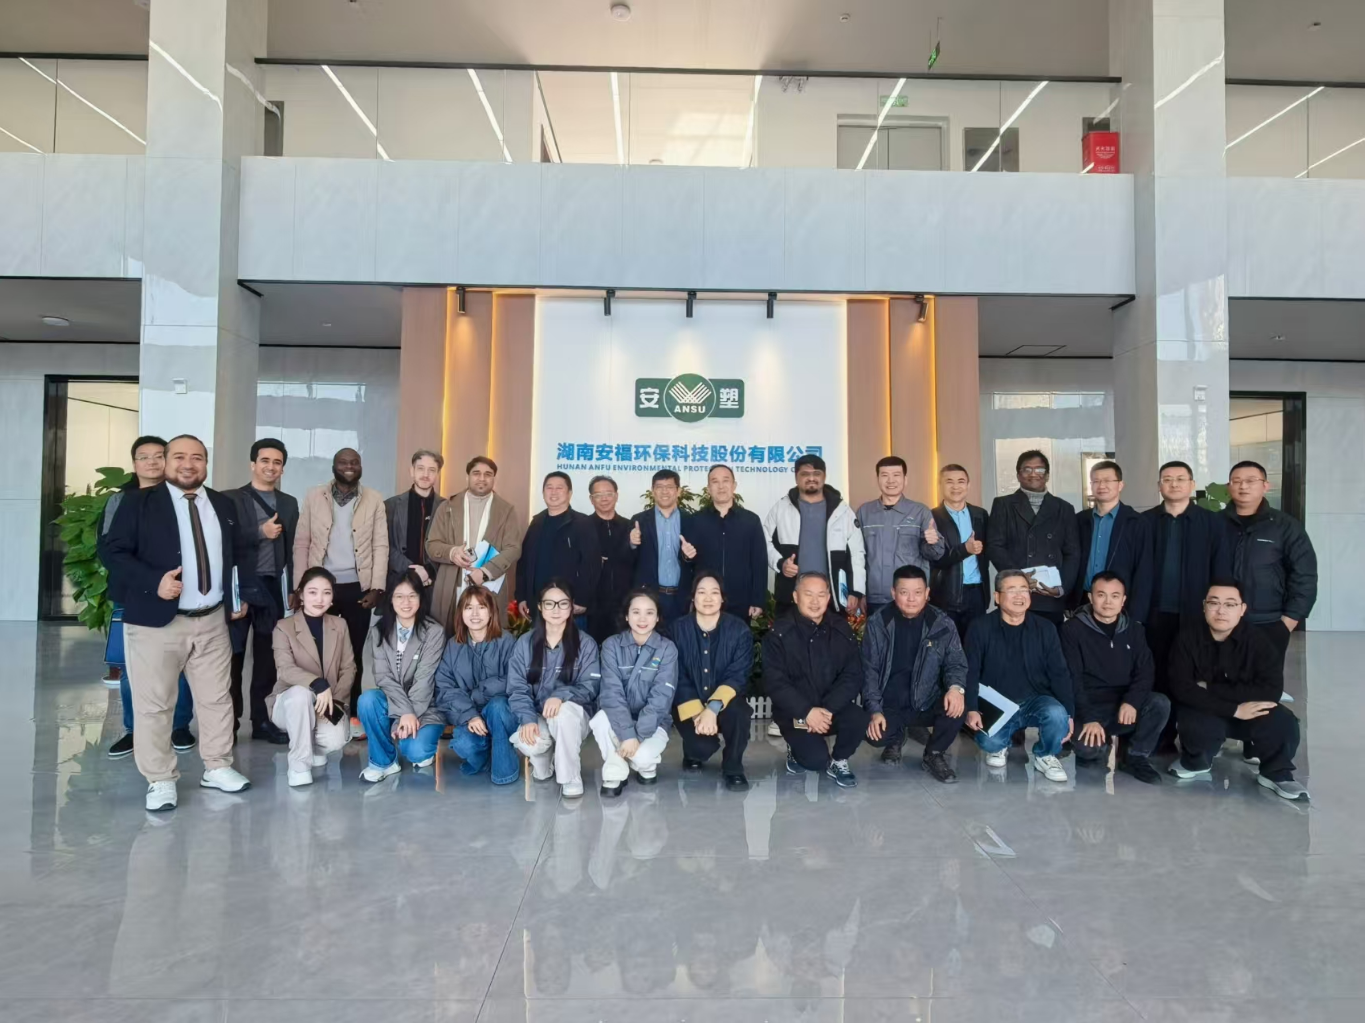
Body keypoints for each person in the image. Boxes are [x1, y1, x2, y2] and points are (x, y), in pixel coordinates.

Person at [102, 434, 253, 811]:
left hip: (212, 620)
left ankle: (217, 766)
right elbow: (112, 552)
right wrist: (153, 581)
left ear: (206, 463)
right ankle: (160, 779)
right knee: (154, 705)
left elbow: (234, 555)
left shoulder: (221, 503)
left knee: (217, 699)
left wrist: (237, 597)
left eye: (197, 457)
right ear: (167, 462)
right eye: (180, 457)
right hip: (156, 624)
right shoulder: (138, 502)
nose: (189, 464)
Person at [99, 435, 195, 760]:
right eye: (144, 457)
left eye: (158, 456)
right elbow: (109, 550)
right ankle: (134, 729)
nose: (152, 462)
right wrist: (148, 581)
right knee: (132, 666)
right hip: (132, 594)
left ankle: (179, 725)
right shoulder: (119, 501)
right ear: (134, 463)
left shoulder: (181, 497)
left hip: (177, 593)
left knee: (179, 662)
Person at [1167, 580, 1308, 800]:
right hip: (1208, 711)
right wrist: (1233, 709)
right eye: (1214, 603)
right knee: (1191, 718)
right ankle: (1196, 760)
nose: (1221, 611)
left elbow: (1271, 690)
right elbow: (1182, 688)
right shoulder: (1187, 638)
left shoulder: (1259, 641)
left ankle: (1276, 773)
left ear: (1242, 609)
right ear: (1204, 606)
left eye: (1230, 604)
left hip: (1249, 711)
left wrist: (1211, 688)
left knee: (1284, 722)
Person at [293, 447, 388, 736]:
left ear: (361, 467)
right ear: (334, 466)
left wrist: (377, 587)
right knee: (317, 653)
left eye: (354, 462)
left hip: (359, 588)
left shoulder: (374, 499)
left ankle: (353, 713)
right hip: (321, 589)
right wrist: (300, 587)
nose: (349, 466)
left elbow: (380, 544)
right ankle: (318, 712)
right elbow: (302, 542)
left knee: (353, 655)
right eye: (343, 462)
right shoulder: (314, 496)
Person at [1135, 460, 1232, 737]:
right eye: (1167, 479)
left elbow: (1221, 572)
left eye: (1180, 479)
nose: (1174, 484)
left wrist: (1219, 612)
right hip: (1155, 615)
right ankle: (1161, 737)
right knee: (1157, 674)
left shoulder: (1212, 523)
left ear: (1192, 485)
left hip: (1196, 615)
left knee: (1192, 675)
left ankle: (1195, 738)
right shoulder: (1144, 522)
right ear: (1159, 486)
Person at [860, 565, 968, 783]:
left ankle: (934, 753)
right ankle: (896, 736)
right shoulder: (878, 623)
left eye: (918, 592)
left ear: (927, 593)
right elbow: (869, 670)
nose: (911, 599)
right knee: (874, 735)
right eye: (904, 592)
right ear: (893, 593)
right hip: (890, 703)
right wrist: (874, 710)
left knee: (958, 705)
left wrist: (956, 688)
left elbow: (956, 663)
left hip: (927, 701)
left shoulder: (941, 623)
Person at [964, 569, 1074, 782]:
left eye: (1024, 589)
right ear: (997, 597)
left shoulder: (1045, 628)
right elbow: (970, 671)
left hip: (1036, 699)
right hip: (997, 705)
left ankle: (1045, 755)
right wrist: (972, 708)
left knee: (1057, 715)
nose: (1019, 595)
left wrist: (1069, 714)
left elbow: (1060, 673)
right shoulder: (980, 627)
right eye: (1011, 590)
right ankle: (1001, 746)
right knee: (990, 743)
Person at [1060, 571, 1168, 784]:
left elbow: (1145, 671)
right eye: (1101, 595)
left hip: (1122, 704)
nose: (1108, 602)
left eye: (1115, 596)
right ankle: (1099, 744)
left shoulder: (1134, 629)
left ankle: (1134, 756)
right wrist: (1089, 717)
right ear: (1091, 597)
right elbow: (1072, 678)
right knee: (1089, 752)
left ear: (1123, 600)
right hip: (1089, 704)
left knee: (1159, 703)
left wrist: (1132, 701)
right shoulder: (1071, 629)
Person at [762, 572, 868, 788]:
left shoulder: (841, 629)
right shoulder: (779, 633)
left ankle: (839, 760)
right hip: (795, 713)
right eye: (808, 594)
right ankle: (795, 748)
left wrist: (827, 710)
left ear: (828, 598)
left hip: (831, 709)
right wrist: (807, 712)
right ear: (795, 597)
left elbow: (853, 675)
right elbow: (775, 682)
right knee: (815, 761)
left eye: (821, 595)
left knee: (858, 718)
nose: (815, 601)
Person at [227, 437, 297, 744]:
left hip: (272, 587)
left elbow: (293, 548)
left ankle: (262, 721)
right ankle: (228, 724)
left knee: (268, 659)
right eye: (265, 460)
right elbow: (223, 542)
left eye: (277, 462)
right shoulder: (230, 499)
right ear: (253, 464)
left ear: (282, 468)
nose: (271, 467)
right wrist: (260, 532)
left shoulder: (289, 503)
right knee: (234, 659)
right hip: (240, 586)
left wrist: (293, 588)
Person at [508, 579, 601, 798]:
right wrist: (528, 718)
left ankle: (570, 777)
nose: (556, 610)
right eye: (549, 604)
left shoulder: (586, 643)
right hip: (538, 713)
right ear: (540, 607)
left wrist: (560, 696)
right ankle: (544, 760)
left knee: (563, 714)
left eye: (563, 603)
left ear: (571, 606)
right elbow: (516, 687)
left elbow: (591, 686)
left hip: (573, 716)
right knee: (528, 743)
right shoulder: (525, 643)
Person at [1223, 460, 1318, 670]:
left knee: (1264, 682)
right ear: (1229, 487)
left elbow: (1305, 575)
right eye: (1236, 481)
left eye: (1251, 481)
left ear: (1266, 486)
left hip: (1268, 621)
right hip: (1221, 620)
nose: (1243, 486)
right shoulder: (1214, 523)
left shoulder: (1285, 526)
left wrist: (1290, 620)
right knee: (1221, 681)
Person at [356, 570, 447, 781]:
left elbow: (424, 679)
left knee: (416, 751)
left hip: (425, 705)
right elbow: (383, 677)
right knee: (368, 700)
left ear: (421, 599)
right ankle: (383, 762)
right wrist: (403, 713)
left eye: (412, 596)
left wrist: (405, 717)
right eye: (399, 596)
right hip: (393, 700)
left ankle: (418, 746)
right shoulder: (378, 631)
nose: (406, 602)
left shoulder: (433, 631)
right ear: (391, 599)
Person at [268, 567, 355, 787]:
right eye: (313, 592)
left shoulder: (340, 625)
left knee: (336, 739)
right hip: (289, 703)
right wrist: (316, 683)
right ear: (301, 595)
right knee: (300, 694)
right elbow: (285, 669)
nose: (319, 599)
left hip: (327, 702)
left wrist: (334, 701)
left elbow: (348, 668)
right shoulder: (284, 627)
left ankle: (313, 749)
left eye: (326, 593)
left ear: (332, 598)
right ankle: (299, 766)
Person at [669, 571, 753, 791]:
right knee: (702, 748)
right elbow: (676, 673)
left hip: (726, 702)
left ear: (722, 598)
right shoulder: (677, 629)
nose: (708, 598)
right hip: (689, 702)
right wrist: (698, 712)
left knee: (740, 714)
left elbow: (738, 674)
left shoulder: (739, 630)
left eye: (714, 592)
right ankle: (692, 751)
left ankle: (733, 767)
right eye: (701, 592)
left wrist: (712, 709)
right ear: (693, 597)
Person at [591, 589, 679, 796]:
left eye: (649, 612)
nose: (642, 619)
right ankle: (616, 771)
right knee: (599, 720)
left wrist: (636, 737)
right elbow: (611, 694)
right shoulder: (611, 645)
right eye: (636, 612)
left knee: (642, 758)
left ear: (657, 617)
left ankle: (643, 764)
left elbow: (661, 699)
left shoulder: (667, 649)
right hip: (618, 717)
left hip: (654, 723)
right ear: (626, 616)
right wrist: (628, 735)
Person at [433, 585, 520, 784]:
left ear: (491, 612)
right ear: (461, 613)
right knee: (463, 743)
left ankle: (505, 773)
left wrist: (478, 694)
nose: (474, 614)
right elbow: (445, 687)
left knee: (497, 707)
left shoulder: (507, 642)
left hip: (503, 713)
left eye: (481, 607)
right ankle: (488, 756)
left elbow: (515, 680)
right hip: (470, 715)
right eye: (468, 607)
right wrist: (470, 714)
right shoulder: (453, 645)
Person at [426, 455, 522, 631]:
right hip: (452, 582)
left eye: (488, 474)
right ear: (467, 477)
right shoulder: (447, 507)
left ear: (494, 478)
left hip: (489, 584)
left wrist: (485, 572)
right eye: (476, 473)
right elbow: (431, 545)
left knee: (488, 635)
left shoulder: (506, 510)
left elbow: (513, 548)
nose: (482, 478)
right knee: (450, 635)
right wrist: (452, 553)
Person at [986, 450, 1080, 629]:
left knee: (1048, 642)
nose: (1033, 474)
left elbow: (1072, 553)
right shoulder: (1003, 504)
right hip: (1015, 593)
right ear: (1018, 475)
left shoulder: (1064, 508)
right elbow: (995, 546)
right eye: (1027, 469)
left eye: (1039, 469)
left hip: (1049, 595)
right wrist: (1018, 579)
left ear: (1047, 475)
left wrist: (1061, 588)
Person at [763, 453, 866, 617]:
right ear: (796, 477)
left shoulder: (842, 511)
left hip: (831, 598)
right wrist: (780, 563)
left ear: (824, 477)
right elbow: (764, 541)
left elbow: (857, 553)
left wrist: (855, 591)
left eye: (816, 474)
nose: (811, 478)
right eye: (805, 474)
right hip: (790, 597)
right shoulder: (781, 508)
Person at [856, 455, 945, 616]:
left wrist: (933, 542)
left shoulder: (920, 511)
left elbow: (934, 554)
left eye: (896, 475)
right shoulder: (865, 512)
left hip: (911, 598)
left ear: (905, 479)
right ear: (877, 479)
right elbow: (857, 555)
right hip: (875, 597)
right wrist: (859, 592)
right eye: (885, 475)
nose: (891, 480)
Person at [517, 473, 601, 625]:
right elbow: (524, 562)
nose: (553, 492)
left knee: (572, 641)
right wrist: (522, 596)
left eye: (559, 488)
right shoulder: (536, 522)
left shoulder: (582, 523)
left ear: (569, 493)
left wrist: (582, 599)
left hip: (570, 606)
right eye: (549, 488)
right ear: (543, 492)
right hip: (539, 605)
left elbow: (591, 565)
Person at [687, 464, 768, 620]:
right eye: (715, 482)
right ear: (708, 488)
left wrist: (758, 600)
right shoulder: (696, 520)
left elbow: (759, 563)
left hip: (741, 600)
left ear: (734, 485)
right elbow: (688, 562)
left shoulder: (750, 520)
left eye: (726, 480)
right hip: (706, 600)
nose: (721, 486)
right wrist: (686, 556)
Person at [1072, 460, 1150, 617]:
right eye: (1096, 481)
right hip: (1083, 602)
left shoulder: (1136, 522)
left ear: (1120, 485)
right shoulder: (1079, 520)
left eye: (1107, 480)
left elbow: (1144, 570)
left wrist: (1137, 613)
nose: (1101, 485)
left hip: (1120, 605)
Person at [930, 463, 990, 642]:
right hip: (945, 592)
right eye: (949, 481)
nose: (955, 486)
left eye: (961, 481)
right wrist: (965, 549)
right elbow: (935, 558)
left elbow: (990, 549)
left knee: (976, 644)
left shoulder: (980, 514)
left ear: (968, 485)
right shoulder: (931, 517)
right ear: (940, 485)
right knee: (948, 645)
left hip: (977, 592)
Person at [629, 470, 697, 625]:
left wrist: (690, 556)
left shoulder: (692, 520)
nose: (664, 491)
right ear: (653, 491)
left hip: (682, 597)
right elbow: (627, 561)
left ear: (678, 491)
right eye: (659, 487)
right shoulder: (639, 520)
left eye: (669, 487)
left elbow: (699, 560)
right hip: (649, 596)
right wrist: (632, 543)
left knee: (681, 638)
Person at [385, 449, 446, 593]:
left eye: (432, 470)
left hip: (433, 584)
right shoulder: (390, 505)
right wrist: (411, 569)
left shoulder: (447, 507)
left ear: (437, 474)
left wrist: (428, 570)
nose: (425, 474)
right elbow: (384, 546)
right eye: (420, 469)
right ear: (412, 471)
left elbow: (448, 545)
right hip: (398, 582)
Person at [586, 475, 638, 642]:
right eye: (598, 495)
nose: (604, 499)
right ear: (591, 499)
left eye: (608, 494)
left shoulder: (630, 526)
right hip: (592, 606)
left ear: (616, 496)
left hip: (624, 604)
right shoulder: (582, 526)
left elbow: (638, 561)